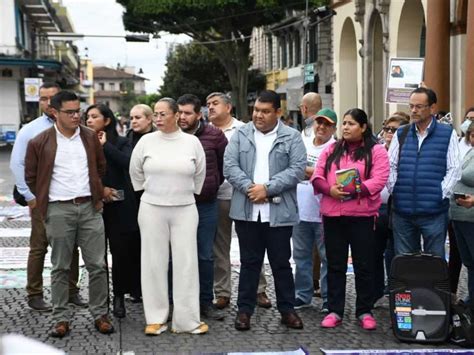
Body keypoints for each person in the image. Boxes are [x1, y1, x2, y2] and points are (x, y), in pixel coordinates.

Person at [25, 91, 114, 338]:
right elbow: (32, 178)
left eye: (78, 111)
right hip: (58, 209)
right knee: (60, 267)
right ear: (55, 112)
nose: (77, 116)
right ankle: (61, 318)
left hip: (90, 208)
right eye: (70, 112)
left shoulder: (89, 137)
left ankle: (100, 314)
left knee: (97, 265)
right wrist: (48, 202)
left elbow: (100, 167)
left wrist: (96, 192)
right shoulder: (39, 141)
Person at [224, 90, 306, 331]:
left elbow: (297, 169)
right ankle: (244, 311)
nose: (258, 115)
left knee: (281, 262)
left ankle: (287, 310)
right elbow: (229, 166)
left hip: (279, 212)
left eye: (265, 111)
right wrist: (251, 189)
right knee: (249, 262)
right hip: (247, 210)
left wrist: (267, 189)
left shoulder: (291, 137)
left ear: (278, 113)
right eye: (256, 110)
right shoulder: (241, 134)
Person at [129, 97, 207, 335]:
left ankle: (187, 321)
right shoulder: (145, 141)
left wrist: (181, 193)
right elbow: (136, 173)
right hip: (152, 207)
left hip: (185, 208)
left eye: (163, 114)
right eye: (155, 114)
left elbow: (199, 175)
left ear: (176, 115)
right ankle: (155, 318)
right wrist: (155, 193)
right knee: (153, 263)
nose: (158, 118)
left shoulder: (192, 142)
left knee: (187, 264)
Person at [9, 83, 85, 311]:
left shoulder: (75, 128)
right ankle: (35, 294)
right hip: (42, 201)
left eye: (52, 98)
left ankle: (72, 291)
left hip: (69, 199)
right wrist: (29, 196)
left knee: (70, 247)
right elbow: (17, 163)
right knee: (39, 247)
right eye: (43, 98)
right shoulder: (30, 130)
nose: (47, 102)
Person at [312, 108, 389, 330]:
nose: (346, 127)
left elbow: (380, 179)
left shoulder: (376, 151)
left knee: (364, 265)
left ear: (363, 128)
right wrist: (330, 190)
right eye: (344, 123)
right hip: (333, 215)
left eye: (351, 124)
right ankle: (335, 310)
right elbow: (317, 177)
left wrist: (356, 190)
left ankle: (364, 310)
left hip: (362, 216)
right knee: (335, 264)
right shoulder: (332, 149)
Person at [207, 92, 271, 310]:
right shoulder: (205, 132)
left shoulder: (246, 129)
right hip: (218, 196)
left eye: (215, 103)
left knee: (252, 245)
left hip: (246, 194)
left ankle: (258, 289)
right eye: (208, 105)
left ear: (229, 107)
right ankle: (222, 292)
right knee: (220, 247)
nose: (211, 108)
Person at [387, 87, 461, 258]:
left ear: (432, 108)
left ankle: (433, 287)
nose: (413, 110)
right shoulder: (402, 133)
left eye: (419, 106)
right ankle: (409, 287)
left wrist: (440, 194)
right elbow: (390, 165)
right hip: (403, 212)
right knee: (405, 262)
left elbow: (454, 168)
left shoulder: (447, 134)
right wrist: (395, 190)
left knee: (434, 261)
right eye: (411, 106)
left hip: (434, 212)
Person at [85, 104, 141, 318]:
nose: (89, 120)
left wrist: (106, 146)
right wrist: (101, 191)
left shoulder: (123, 141)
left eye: (94, 116)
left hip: (120, 208)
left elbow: (128, 164)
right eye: (87, 117)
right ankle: (101, 301)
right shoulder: (83, 143)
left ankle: (119, 296)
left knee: (120, 255)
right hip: (94, 207)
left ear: (106, 120)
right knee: (97, 258)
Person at [177, 94, 228, 320]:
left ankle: (205, 302)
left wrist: (211, 185)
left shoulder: (215, 136)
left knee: (205, 255)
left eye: (187, 113)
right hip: (177, 204)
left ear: (199, 114)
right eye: (179, 112)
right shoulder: (171, 136)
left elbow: (224, 165)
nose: (182, 117)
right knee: (177, 255)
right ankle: (177, 301)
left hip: (206, 204)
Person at [293, 108, 336, 313]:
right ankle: (303, 295)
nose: (321, 127)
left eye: (327, 124)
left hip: (324, 212)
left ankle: (328, 298)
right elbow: (293, 168)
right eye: (319, 123)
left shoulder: (336, 148)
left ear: (333, 128)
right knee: (301, 255)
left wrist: (309, 172)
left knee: (327, 256)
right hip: (300, 210)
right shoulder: (304, 144)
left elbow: (330, 176)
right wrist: (316, 173)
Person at [373, 113, 409, 304]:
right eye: (387, 128)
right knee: (376, 251)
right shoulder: (378, 151)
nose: (389, 133)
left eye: (394, 130)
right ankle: (378, 291)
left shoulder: (408, 152)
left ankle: (396, 289)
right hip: (378, 207)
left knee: (396, 250)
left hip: (399, 207)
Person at [450, 121, 474, 309]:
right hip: (459, 215)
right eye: (471, 135)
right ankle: (471, 298)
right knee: (468, 262)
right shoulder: (469, 152)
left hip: (471, 216)